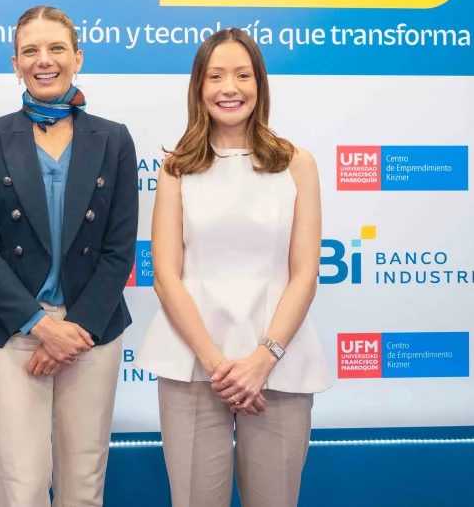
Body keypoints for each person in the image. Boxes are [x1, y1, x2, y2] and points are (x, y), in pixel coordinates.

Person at [135, 29, 332, 507]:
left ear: (259, 84)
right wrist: (219, 367)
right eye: (216, 76)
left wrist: (263, 359)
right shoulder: (177, 168)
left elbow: (304, 275)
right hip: (192, 366)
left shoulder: (297, 164)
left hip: (279, 368)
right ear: (199, 87)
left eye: (243, 76)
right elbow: (166, 277)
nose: (230, 88)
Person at [0, 6, 138, 506]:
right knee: (20, 488)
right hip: (14, 331)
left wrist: (71, 333)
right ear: (15, 63)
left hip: (90, 332)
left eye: (57, 48)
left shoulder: (113, 139)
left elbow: (119, 249)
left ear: (77, 57)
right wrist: (41, 326)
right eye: (30, 50)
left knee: (83, 487)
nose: (44, 60)